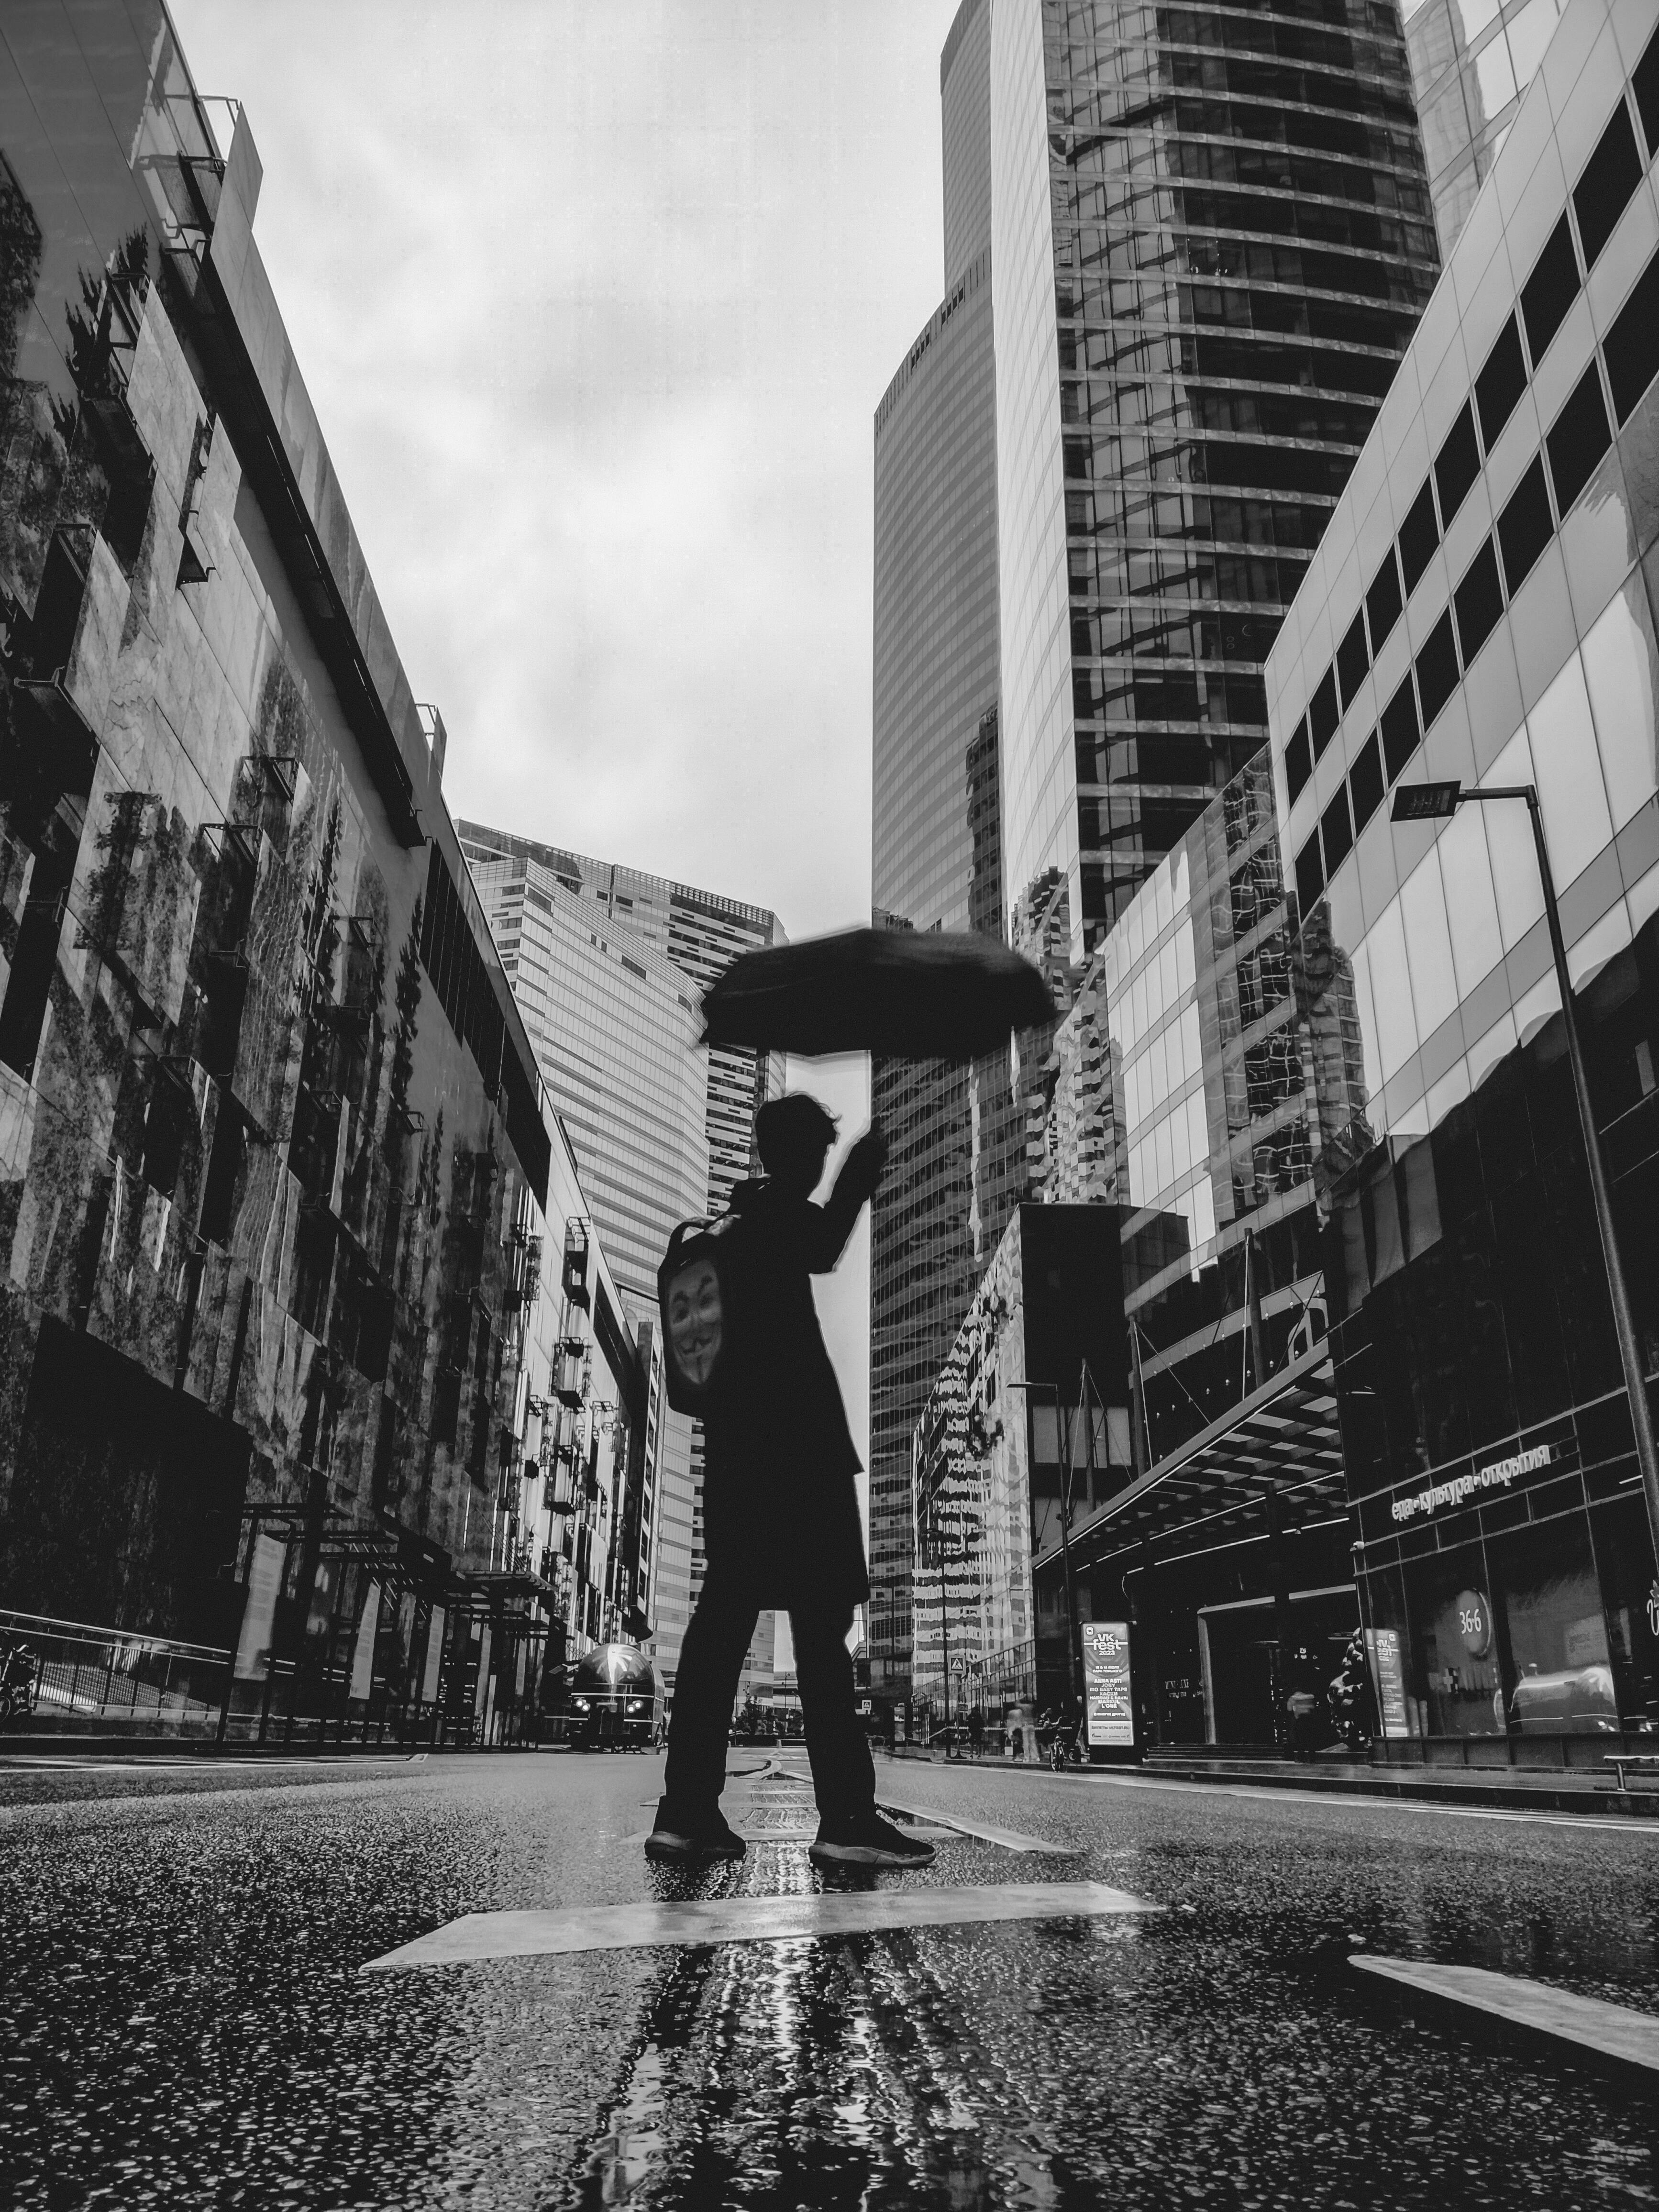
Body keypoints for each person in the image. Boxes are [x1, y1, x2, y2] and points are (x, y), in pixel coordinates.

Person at [646, 1094, 933, 1869]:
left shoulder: (731, 1231)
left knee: (719, 1633)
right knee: (820, 1643)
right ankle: (845, 1816)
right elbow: (826, 1243)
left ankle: (686, 1813)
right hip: (799, 1465)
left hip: (738, 1466)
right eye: (817, 1149)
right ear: (799, 1153)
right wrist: (859, 1175)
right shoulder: (774, 1222)